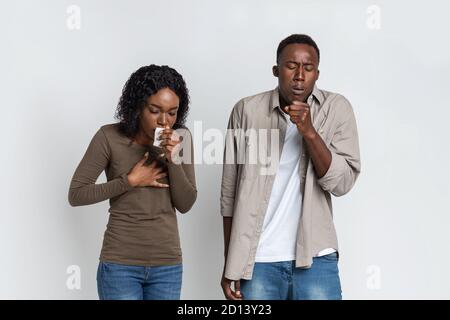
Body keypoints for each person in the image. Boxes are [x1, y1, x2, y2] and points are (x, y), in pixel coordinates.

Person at [220, 34, 361, 300]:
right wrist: (231, 262)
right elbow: (229, 195)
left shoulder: (337, 109)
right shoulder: (246, 111)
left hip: (316, 259)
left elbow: (342, 184)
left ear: (317, 74)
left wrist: (309, 133)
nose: (299, 75)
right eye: (291, 66)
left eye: (308, 68)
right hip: (257, 262)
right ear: (276, 70)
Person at [68, 65, 196, 300]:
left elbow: (186, 203)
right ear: (138, 107)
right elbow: (76, 194)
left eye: (172, 112)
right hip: (120, 265)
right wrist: (130, 180)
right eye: (155, 110)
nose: (164, 122)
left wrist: (173, 160)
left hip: (167, 265)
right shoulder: (109, 137)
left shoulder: (181, 139)